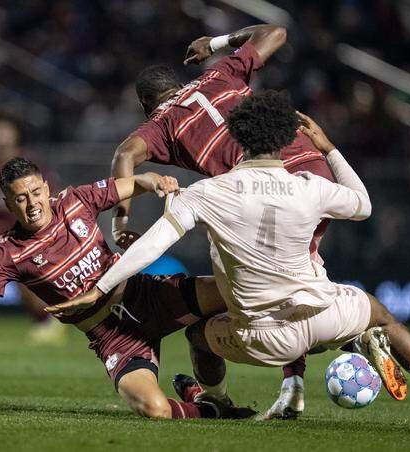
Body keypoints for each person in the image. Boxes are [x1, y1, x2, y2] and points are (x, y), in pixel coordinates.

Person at [49, 92, 410, 429]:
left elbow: (149, 249)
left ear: (237, 138)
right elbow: (364, 205)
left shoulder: (208, 193)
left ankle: (215, 400)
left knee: (198, 333)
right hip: (323, 313)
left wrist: (100, 287)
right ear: (285, 140)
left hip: (263, 339)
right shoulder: (309, 185)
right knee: (383, 316)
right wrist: (329, 148)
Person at [0, 157, 253, 420]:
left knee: (236, 293)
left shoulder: (76, 200)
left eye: (35, 193)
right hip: (111, 335)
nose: (32, 204)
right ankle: (207, 407)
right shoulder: (9, 252)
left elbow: (134, 181)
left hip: (146, 295)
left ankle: (286, 378)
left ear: (46, 188)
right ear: (8, 205)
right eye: (20, 199)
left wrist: (155, 181)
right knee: (155, 410)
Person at [111, 23, 333, 418]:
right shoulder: (219, 73)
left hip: (265, 195)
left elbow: (124, 155)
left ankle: (348, 337)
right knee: (291, 281)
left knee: (275, 298)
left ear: (146, 104)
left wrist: (119, 221)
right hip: (312, 168)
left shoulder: (160, 123)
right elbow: (276, 31)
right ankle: (296, 380)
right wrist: (214, 43)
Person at [0, 112, 66, 345]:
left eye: (5, 130)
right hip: (1, 236)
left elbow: (50, 193)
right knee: (22, 286)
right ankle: (48, 322)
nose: (0, 135)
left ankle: (50, 322)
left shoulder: (28, 164)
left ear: (15, 134)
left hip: (30, 232)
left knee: (26, 282)